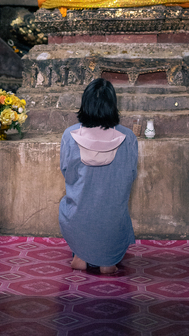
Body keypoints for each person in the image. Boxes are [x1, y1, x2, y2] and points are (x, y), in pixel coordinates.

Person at [59, 78, 138, 274]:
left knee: (69, 204)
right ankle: (108, 261)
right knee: (114, 212)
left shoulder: (70, 136)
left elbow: (66, 171)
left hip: (79, 217)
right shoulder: (128, 137)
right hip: (112, 220)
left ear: (85, 104)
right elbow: (131, 174)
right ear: (113, 105)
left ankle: (80, 255)